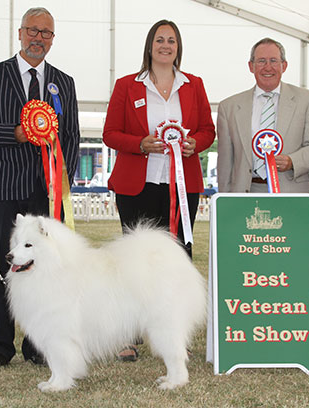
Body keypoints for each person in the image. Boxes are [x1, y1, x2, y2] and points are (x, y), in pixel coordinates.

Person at [0, 7, 80, 369]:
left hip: (45, 192)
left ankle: (36, 343)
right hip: (3, 187)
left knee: (44, 269)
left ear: (52, 39)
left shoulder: (64, 82)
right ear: (19, 33)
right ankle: (1, 344)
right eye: (32, 30)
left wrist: (63, 181)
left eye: (45, 33)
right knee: (4, 264)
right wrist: (13, 134)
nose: (38, 38)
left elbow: (71, 136)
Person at [103, 20, 215, 361]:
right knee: (134, 261)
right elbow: (110, 133)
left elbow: (208, 130)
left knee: (177, 259)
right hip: (136, 186)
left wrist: (195, 143)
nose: (165, 45)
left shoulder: (194, 85)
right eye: (159, 40)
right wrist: (140, 143)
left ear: (178, 47)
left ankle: (175, 334)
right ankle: (129, 335)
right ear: (149, 46)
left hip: (182, 187)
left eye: (172, 40)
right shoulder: (127, 86)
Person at [217, 37, 309, 193]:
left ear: (284, 66)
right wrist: (224, 200)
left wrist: (292, 161)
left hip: (290, 191)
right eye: (261, 61)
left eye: (273, 61)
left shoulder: (306, 100)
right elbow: (225, 162)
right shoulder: (228, 107)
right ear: (251, 66)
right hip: (245, 193)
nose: (268, 67)